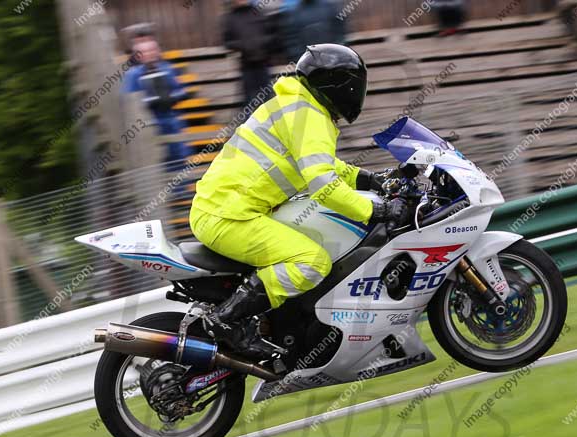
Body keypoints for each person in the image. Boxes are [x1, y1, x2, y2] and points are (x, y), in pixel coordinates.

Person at [189, 44, 407, 355]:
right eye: (356, 85)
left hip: (225, 209)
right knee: (312, 261)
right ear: (340, 86)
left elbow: (320, 165)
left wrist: (369, 179)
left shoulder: (296, 105)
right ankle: (226, 320)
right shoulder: (308, 116)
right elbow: (323, 186)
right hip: (229, 216)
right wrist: (378, 209)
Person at [122, 39, 193, 170]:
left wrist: (172, 97)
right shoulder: (133, 75)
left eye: (152, 50)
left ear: (158, 51)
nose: (150, 53)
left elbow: (181, 90)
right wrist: (150, 101)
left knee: (180, 159)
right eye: (144, 51)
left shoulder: (167, 69)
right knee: (157, 163)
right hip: (148, 124)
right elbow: (129, 102)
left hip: (171, 119)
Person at [223, 0, 273, 109]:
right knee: (250, 102)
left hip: (262, 64)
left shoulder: (258, 12)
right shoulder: (230, 18)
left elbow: (269, 34)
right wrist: (243, 46)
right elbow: (227, 42)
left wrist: (260, 43)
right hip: (246, 67)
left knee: (269, 100)